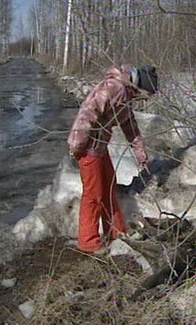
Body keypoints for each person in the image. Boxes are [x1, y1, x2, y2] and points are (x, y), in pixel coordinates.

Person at [68, 64, 158, 254]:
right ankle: (88, 242)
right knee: (94, 195)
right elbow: (88, 111)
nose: (142, 100)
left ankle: (116, 231)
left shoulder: (125, 95)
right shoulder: (113, 87)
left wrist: (141, 154)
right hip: (88, 146)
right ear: (139, 87)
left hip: (99, 146)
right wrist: (77, 143)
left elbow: (130, 126)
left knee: (109, 187)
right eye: (144, 95)